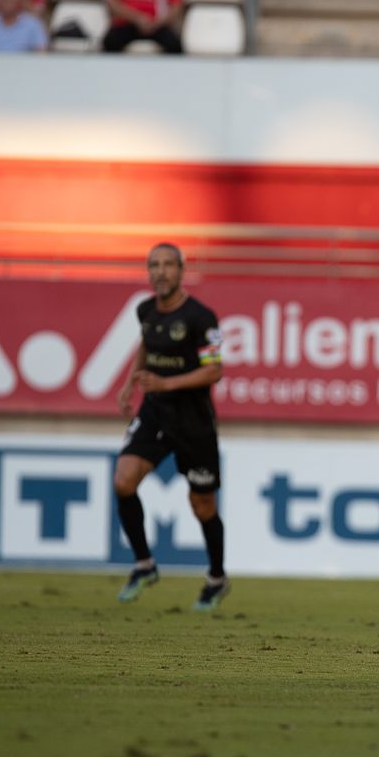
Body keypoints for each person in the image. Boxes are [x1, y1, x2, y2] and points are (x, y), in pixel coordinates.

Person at [113, 243, 229, 611]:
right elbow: (147, 344)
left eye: (167, 265)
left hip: (193, 422)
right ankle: (144, 565)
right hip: (155, 414)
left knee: (203, 505)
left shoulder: (201, 318)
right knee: (123, 480)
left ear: (181, 270)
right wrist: (131, 381)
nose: (160, 271)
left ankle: (216, 578)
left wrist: (167, 383)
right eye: (154, 265)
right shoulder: (144, 310)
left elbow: (215, 370)